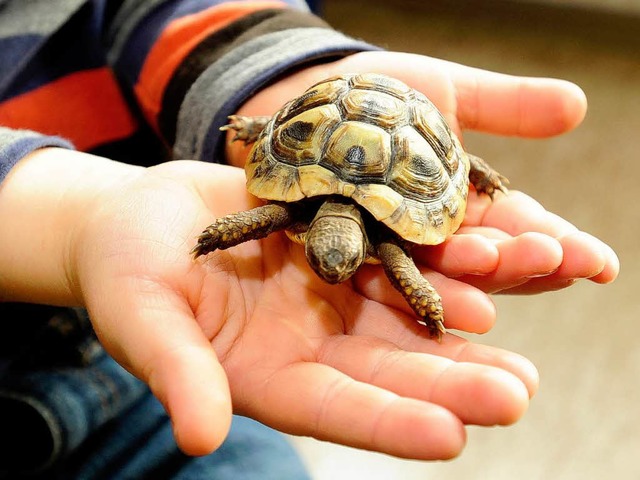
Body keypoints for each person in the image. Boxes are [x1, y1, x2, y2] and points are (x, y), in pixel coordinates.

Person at [0, 0, 619, 477]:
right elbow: (259, 222)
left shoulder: (361, 238)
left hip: (116, 380)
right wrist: (77, 221)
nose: (332, 270)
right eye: (331, 259)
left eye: (339, 262)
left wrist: (277, 68)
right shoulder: (289, 222)